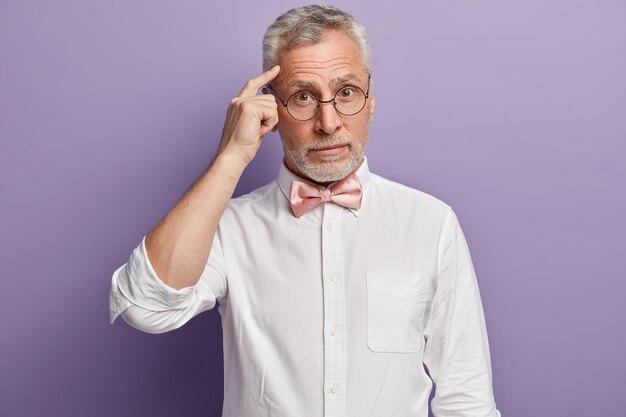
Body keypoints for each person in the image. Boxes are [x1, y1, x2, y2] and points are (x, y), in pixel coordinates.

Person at [109, 5, 501, 417]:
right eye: (302, 96)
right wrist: (230, 157)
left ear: (371, 101)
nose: (328, 122)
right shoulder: (227, 227)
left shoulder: (431, 223)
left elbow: (467, 400)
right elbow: (143, 307)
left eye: (346, 92)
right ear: (270, 109)